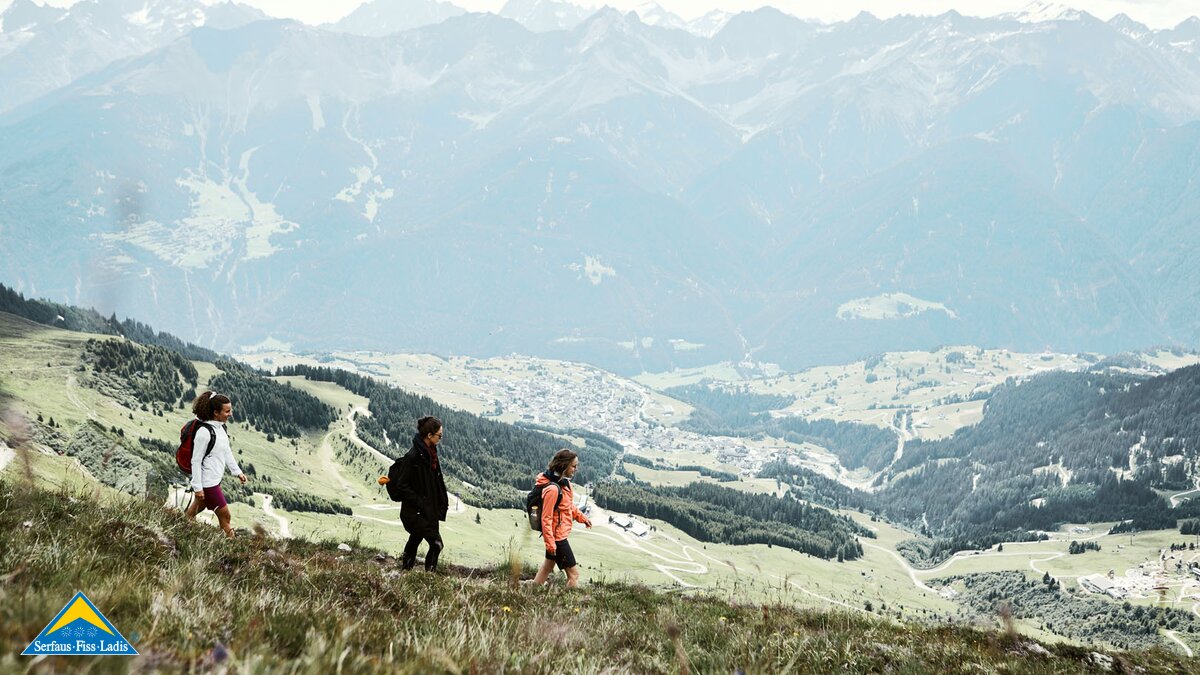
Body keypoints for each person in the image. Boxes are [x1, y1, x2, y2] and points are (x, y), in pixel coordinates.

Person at [185, 391, 247, 538]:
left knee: (192, 513)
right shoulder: (204, 432)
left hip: (214, 481)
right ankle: (235, 551)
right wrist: (198, 487)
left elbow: (227, 452)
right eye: (227, 411)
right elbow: (196, 461)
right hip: (208, 484)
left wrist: (237, 472)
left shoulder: (221, 429)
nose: (230, 414)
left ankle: (182, 530)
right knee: (225, 517)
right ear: (216, 412)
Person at [394, 416, 448, 571]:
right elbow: (401, 485)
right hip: (417, 511)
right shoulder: (413, 457)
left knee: (415, 538)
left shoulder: (430, 455)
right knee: (437, 544)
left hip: (428, 510)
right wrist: (420, 502)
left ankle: (406, 572)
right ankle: (428, 577)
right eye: (439, 435)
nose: (440, 439)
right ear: (429, 435)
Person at [533, 449, 592, 588]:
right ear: (564, 466)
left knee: (547, 568)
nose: (576, 469)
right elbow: (546, 519)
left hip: (555, 538)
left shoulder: (565, 484)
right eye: (573, 466)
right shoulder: (552, 489)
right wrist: (551, 544)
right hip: (557, 539)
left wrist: (582, 517)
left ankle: (532, 592)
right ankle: (568, 605)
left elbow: (568, 506)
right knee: (574, 575)